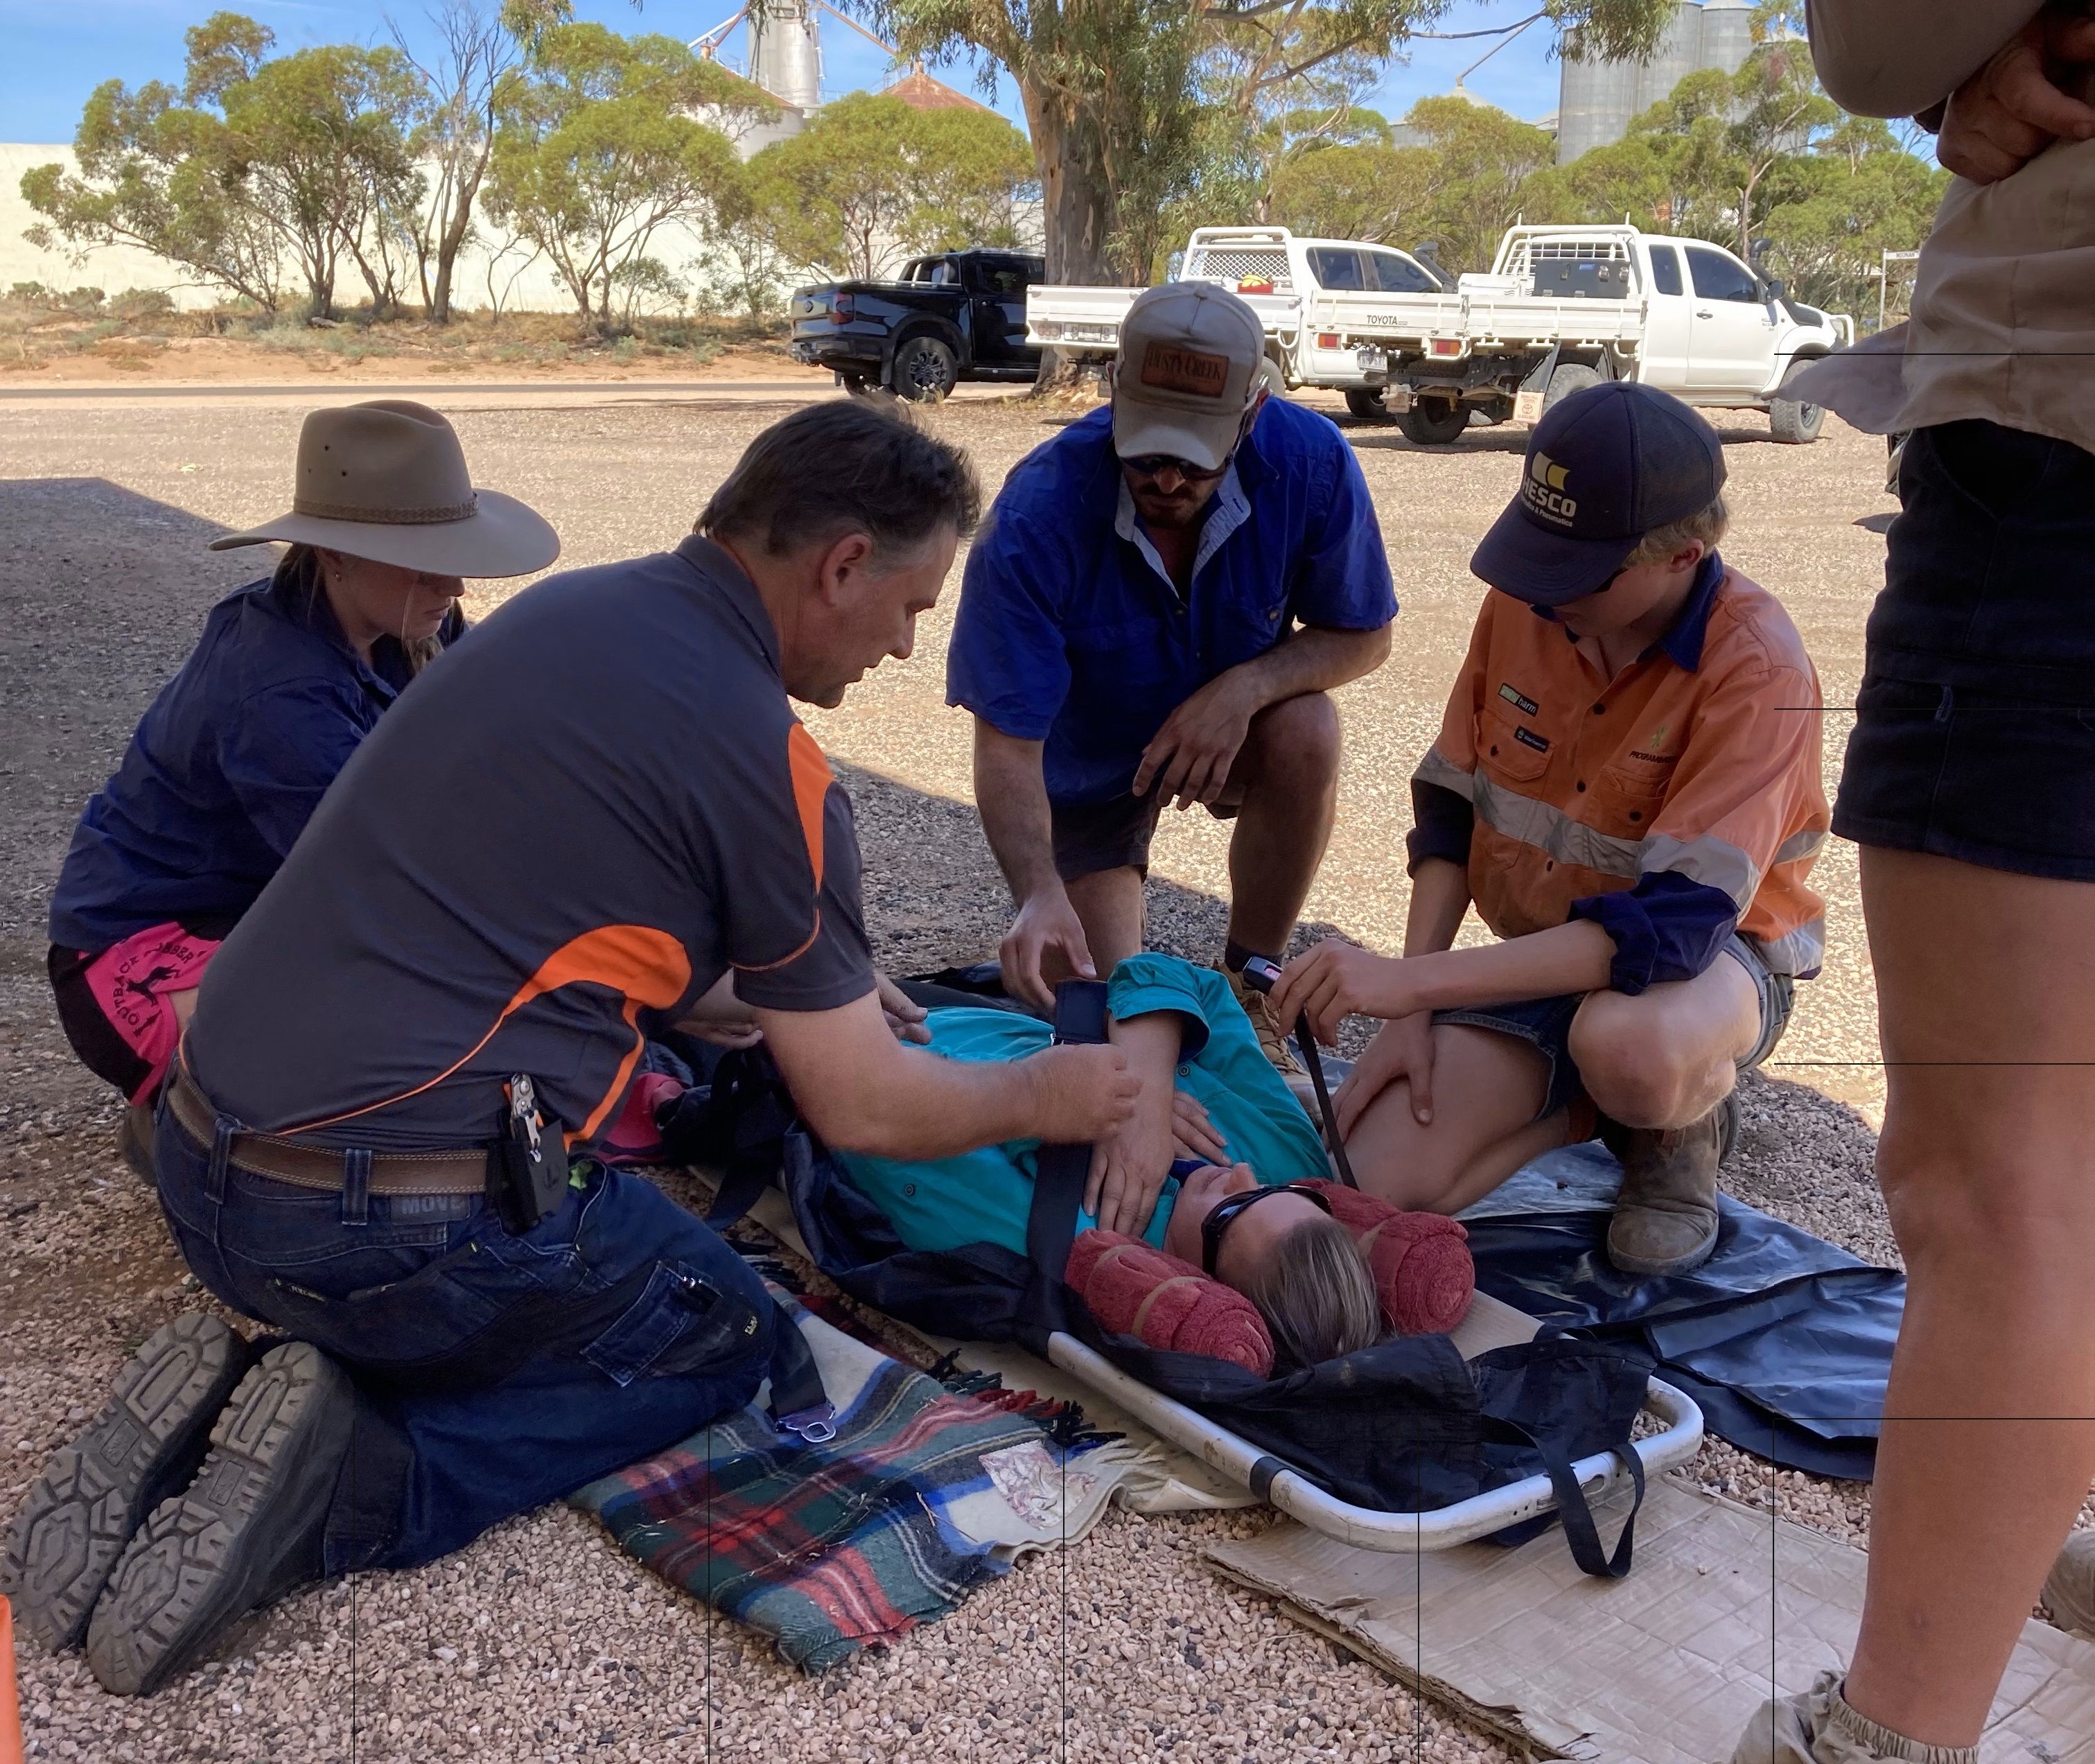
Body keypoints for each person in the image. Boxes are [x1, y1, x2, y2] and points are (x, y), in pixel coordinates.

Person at [1, 400, 1141, 1697]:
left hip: (207, 1174)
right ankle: (359, 1486)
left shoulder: (563, 619)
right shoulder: (772, 763)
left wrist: (780, 990)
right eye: (911, 605)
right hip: (355, 1231)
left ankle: (225, 1421)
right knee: (721, 1338)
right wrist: (1051, 1090)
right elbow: (864, 1110)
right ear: (839, 566)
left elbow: (564, 925)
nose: (904, 643)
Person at [1721, 6, 2095, 1760]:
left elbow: (1871, 35)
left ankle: (1881, 1740)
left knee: (1987, 1179)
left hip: (2059, 430)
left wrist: (1961, 63)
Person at [1270, 383, 1829, 1277]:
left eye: (1572, 568)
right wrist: (1413, 1000)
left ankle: (1669, 1123)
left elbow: (1667, 935)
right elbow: (1449, 808)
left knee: (1627, 1047)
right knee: (1368, 1183)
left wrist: (1411, 991)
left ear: (1682, 556)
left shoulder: (1757, 666)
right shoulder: (1528, 602)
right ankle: (1590, 1103)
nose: (1537, 584)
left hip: (1704, 969)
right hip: (1546, 955)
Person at [45, 401, 559, 1173]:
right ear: (338, 556)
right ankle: (188, 1117)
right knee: (415, 1051)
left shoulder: (407, 621)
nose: (453, 581)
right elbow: (381, 892)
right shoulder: (279, 693)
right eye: (424, 558)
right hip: (134, 959)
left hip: (249, 925)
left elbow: (502, 738)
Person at [947, 282, 1396, 1073]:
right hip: (1086, 776)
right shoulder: (1035, 513)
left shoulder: (1311, 461)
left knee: (1307, 727)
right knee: (1113, 1020)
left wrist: (1242, 691)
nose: (1163, 480)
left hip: (1231, 736)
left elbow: (1363, 635)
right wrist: (1036, 889)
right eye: (1145, 451)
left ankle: (1250, 976)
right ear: (1114, 391)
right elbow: (1008, 743)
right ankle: (1096, 918)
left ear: (1251, 416)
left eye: (1191, 460)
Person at [839, 953, 1383, 1367]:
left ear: (1203, 1284)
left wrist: (1057, 1102)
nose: (1241, 1175)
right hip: (978, 1010)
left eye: (1230, 1212)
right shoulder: (1285, 1157)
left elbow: (871, 1116)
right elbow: (1163, 972)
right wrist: (1145, 1092)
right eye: (1281, 1193)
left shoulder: (1053, 1235)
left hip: (881, 1033)